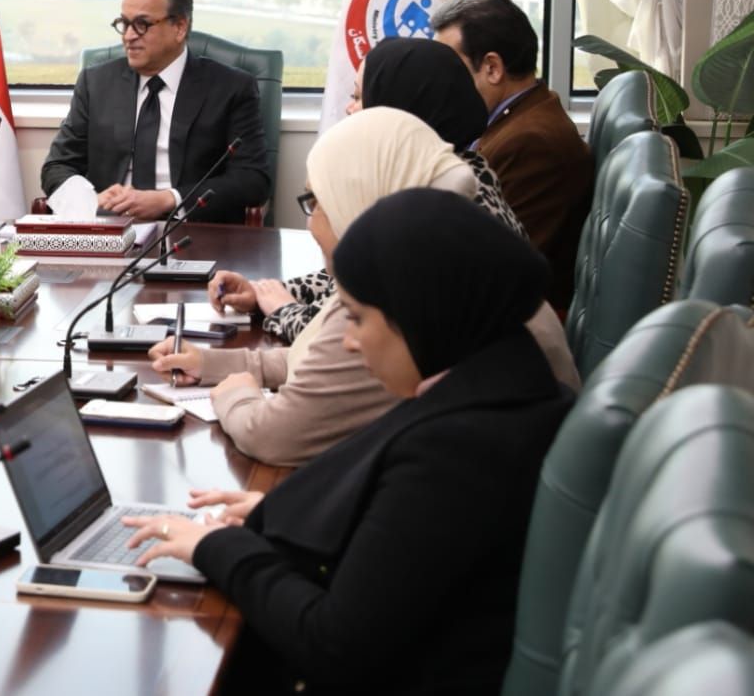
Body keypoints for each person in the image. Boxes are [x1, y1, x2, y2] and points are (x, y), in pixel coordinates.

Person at [126, 188, 576, 694]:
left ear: (419, 314)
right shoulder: (505, 382)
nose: (349, 340)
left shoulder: (458, 451)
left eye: (358, 317)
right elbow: (409, 551)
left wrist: (216, 547)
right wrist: (290, 516)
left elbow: (331, 643)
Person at [149, 107, 577, 467]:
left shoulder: (405, 297)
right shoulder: (454, 255)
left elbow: (276, 435)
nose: (311, 224)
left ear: (360, 195)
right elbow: (320, 358)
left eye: (316, 202)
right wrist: (215, 363)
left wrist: (236, 396)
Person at [217, 35, 526, 345]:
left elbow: (350, 336)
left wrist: (283, 310)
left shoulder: (446, 208)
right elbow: (351, 279)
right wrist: (264, 293)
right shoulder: (446, 171)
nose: (349, 109)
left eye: (359, 97)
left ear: (400, 110)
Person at [40, 0, 271, 223]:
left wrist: (170, 199)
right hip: (110, 228)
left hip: (190, 231)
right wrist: (90, 200)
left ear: (179, 27)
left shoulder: (230, 88)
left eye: (142, 25)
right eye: (124, 24)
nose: (128, 36)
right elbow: (56, 167)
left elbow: (253, 179)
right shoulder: (96, 83)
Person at [431, 0, 593, 308]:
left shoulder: (532, 143)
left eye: (450, 69)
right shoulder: (523, 114)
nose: (442, 82)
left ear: (492, 68)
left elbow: (491, 264)